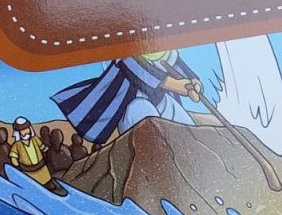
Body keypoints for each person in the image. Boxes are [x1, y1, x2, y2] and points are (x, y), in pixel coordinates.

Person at [52, 50, 201, 144]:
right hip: (133, 106)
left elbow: (177, 65)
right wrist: (177, 85)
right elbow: (140, 72)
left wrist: (194, 82)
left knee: (188, 131)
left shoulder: (164, 50)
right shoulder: (126, 53)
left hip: (161, 100)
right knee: (147, 123)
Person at [9, 117, 66, 195]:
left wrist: (49, 151)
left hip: (41, 167)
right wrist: (15, 162)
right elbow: (13, 156)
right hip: (28, 171)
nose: (26, 132)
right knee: (34, 185)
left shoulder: (35, 139)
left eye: (27, 129)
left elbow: (43, 147)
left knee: (48, 182)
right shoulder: (17, 145)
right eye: (23, 130)